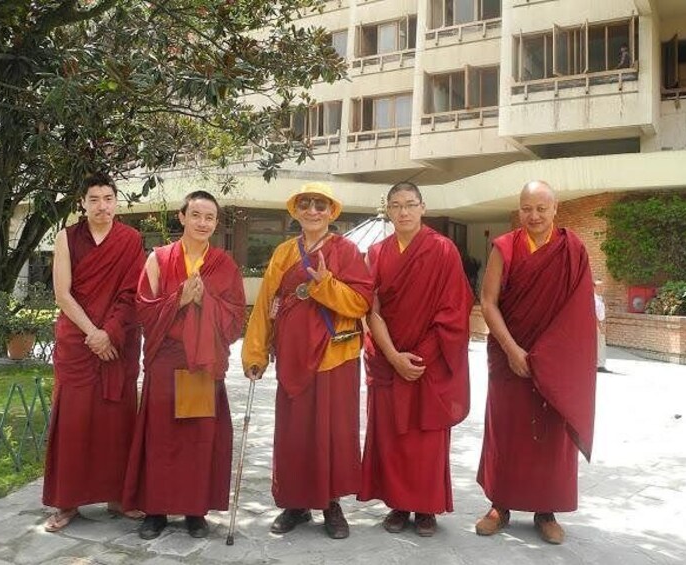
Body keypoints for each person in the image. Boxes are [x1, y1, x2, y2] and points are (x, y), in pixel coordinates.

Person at [242, 182, 373, 540]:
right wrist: (255, 352)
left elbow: (361, 303)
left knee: (332, 432)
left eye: (320, 205)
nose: (313, 211)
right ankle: (295, 504)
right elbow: (266, 305)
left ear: (332, 212)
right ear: (296, 210)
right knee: (295, 432)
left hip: (334, 355)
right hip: (292, 355)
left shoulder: (346, 251)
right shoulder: (284, 253)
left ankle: (331, 503)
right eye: (306, 204)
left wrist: (326, 284)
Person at [475, 180, 596, 545]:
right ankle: (500, 505)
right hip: (509, 357)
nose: (535, 215)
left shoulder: (571, 249)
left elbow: (579, 312)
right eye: (527, 208)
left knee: (550, 436)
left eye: (542, 208)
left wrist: (550, 358)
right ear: (520, 209)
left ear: (555, 208)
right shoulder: (505, 247)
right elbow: (488, 302)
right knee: (506, 431)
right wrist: (512, 350)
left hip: (554, 362)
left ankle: (546, 510)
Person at [122, 191, 246, 539]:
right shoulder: (159, 259)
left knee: (196, 437)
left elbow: (236, 318)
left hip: (200, 363)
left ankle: (194, 510)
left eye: (209, 217)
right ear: (182, 217)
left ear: (216, 223)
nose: (203, 223)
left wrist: (205, 299)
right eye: (196, 215)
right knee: (160, 437)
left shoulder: (224, 264)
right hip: (167, 357)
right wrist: (180, 299)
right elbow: (143, 310)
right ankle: (156, 510)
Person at [358, 182, 473, 537]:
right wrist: (393, 357)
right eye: (396, 205)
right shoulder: (376, 253)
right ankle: (397, 504)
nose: (404, 212)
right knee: (392, 435)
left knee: (426, 439)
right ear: (388, 210)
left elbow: (454, 310)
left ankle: (425, 509)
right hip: (389, 356)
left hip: (429, 362)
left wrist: (418, 359)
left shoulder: (443, 250)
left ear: (423, 207)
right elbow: (369, 309)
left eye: (410, 204)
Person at [43, 173, 146, 532]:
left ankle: (118, 496)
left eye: (108, 198)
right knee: (73, 421)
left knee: (117, 420)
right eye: (94, 199)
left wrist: (110, 334)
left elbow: (132, 293)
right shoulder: (66, 238)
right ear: (82, 203)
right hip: (78, 340)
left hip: (117, 342)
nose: (102, 206)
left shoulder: (131, 239)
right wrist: (93, 334)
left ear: (116, 202)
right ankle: (67, 501)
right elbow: (62, 294)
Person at [595, 280, 608, 372]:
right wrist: (600, 326)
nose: (602, 289)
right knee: (599, 345)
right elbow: (593, 314)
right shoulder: (593, 299)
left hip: (601, 322)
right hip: (597, 324)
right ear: (594, 287)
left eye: (602, 287)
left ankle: (600, 364)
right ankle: (599, 365)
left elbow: (603, 312)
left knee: (602, 344)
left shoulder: (600, 298)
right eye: (600, 287)